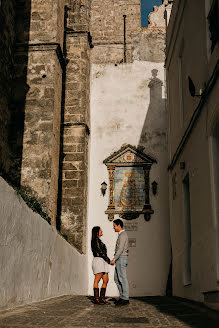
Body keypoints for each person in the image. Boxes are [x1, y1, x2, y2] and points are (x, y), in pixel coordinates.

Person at [110, 219, 129, 306]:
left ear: (119, 225)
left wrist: (114, 259)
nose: (113, 227)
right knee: (116, 279)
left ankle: (125, 298)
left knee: (122, 278)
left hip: (121, 258)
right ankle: (122, 297)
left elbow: (120, 249)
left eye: (114, 225)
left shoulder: (123, 235)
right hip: (120, 259)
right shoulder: (121, 235)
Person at [91, 226, 111, 305]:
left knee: (106, 280)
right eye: (100, 230)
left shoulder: (99, 240)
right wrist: (108, 259)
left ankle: (102, 298)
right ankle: (96, 299)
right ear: (97, 232)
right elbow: (100, 251)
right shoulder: (95, 240)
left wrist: (106, 260)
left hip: (103, 261)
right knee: (97, 280)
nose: (102, 231)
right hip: (99, 260)